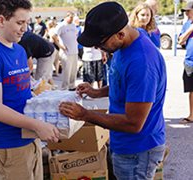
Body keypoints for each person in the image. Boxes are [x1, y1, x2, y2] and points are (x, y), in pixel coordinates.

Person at [59, 2, 166, 179]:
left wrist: (84, 115)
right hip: (124, 144)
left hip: (138, 150)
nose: (96, 48)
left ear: (120, 34)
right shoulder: (126, 43)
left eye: (100, 44)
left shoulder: (142, 62)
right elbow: (125, 86)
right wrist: (97, 92)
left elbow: (134, 123)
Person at [0, 0, 60, 179]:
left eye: (27, 23)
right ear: (1, 20)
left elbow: (22, 91)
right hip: (9, 143)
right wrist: (37, 125)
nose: (25, 29)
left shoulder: (20, 50)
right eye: (20, 23)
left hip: (29, 136)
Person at [52, 11, 78, 90]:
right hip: (66, 52)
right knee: (67, 71)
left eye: (72, 17)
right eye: (70, 17)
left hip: (74, 51)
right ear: (66, 17)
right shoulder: (61, 25)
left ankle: (72, 86)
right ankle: (64, 88)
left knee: (74, 71)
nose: (71, 19)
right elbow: (53, 36)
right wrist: (60, 45)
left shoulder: (73, 26)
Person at [178, 1, 193, 123]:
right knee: (191, 90)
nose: (187, 14)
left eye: (189, 11)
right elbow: (181, 41)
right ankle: (192, 114)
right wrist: (191, 29)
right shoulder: (187, 24)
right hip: (190, 62)